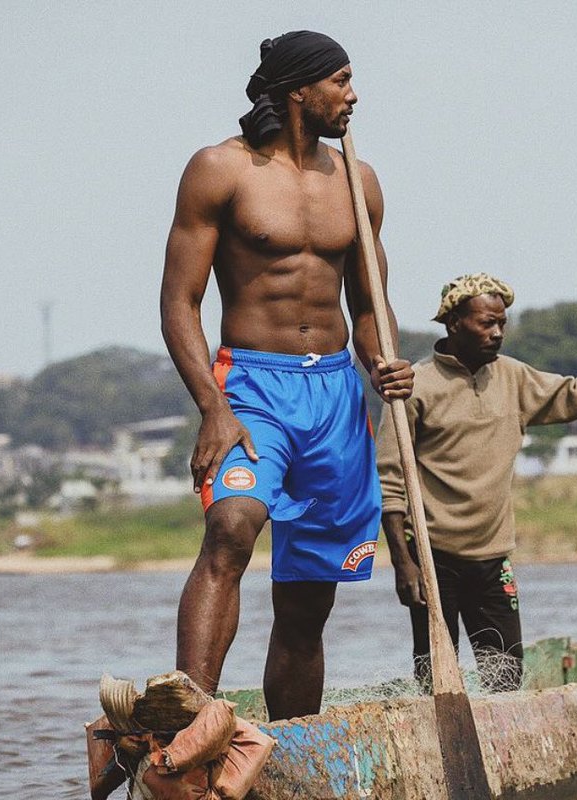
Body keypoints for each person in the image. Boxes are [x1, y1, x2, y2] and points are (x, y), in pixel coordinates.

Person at [159, 30, 413, 721]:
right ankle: (191, 725)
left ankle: (292, 749)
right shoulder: (221, 169)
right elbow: (178, 301)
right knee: (232, 527)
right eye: (341, 80)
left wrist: (382, 360)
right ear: (300, 89)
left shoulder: (359, 183)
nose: (353, 95)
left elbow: (367, 304)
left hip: (334, 393)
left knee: (306, 598)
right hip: (251, 387)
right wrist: (212, 407)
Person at [376, 273, 577, 692]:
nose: (497, 333)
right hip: (433, 557)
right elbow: (390, 481)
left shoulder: (514, 378)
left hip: (492, 557)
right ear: (454, 322)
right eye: (486, 323)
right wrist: (403, 564)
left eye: (502, 323)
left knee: (506, 678)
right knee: (435, 679)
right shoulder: (413, 385)